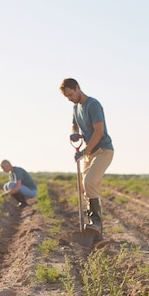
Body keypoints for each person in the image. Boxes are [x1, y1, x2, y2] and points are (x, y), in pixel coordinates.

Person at [59, 78, 114, 237]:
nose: (70, 99)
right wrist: (74, 132)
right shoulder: (76, 107)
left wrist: (84, 152)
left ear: (77, 88)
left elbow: (99, 132)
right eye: (67, 97)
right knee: (89, 189)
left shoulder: (93, 105)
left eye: (70, 94)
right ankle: (97, 233)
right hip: (90, 152)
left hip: (103, 150)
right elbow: (74, 124)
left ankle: (95, 221)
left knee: (88, 182)